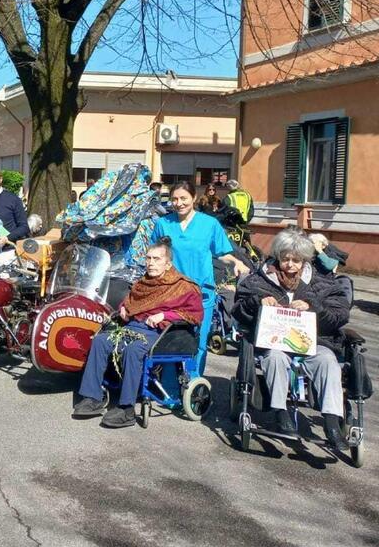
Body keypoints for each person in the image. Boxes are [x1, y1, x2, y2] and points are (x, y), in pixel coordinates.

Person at [233, 229, 351, 449]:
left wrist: (313, 307)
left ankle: (332, 421)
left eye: (296, 260)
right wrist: (257, 302)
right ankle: (280, 412)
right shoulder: (259, 279)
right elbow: (238, 309)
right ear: (277, 257)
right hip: (273, 343)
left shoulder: (322, 282)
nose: (289, 265)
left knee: (328, 361)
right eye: (285, 259)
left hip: (314, 342)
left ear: (305, 260)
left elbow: (340, 315)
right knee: (275, 358)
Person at [73, 239, 204, 428]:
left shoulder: (184, 286)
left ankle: (127, 410)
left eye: (157, 259)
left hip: (160, 333)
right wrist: (123, 308)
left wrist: (164, 315)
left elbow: (194, 315)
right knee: (101, 341)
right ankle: (92, 397)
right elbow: (130, 301)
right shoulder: (143, 283)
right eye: (148, 258)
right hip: (132, 327)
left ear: (168, 264)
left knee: (133, 350)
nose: (151, 263)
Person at [152, 181, 249, 375]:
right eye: (174, 199)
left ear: (194, 198)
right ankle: (170, 386)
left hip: (201, 293)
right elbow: (154, 255)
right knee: (170, 341)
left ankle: (194, 385)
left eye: (183, 198)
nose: (179, 203)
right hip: (171, 293)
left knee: (199, 342)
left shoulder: (209, 224)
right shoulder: (163, 224)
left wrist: (236, 262)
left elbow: (221, 252)